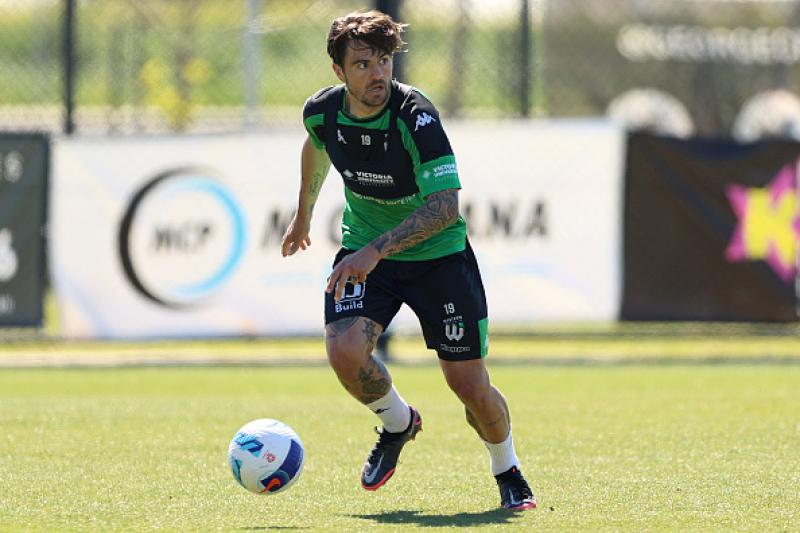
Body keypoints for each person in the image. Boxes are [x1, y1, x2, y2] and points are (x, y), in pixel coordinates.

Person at [280, 10, 536, 511]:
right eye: (362, 64)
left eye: (384, 60)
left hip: (438, 260)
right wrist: (303, 214)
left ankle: (507, 466)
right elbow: (318, 147)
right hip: (365, 253)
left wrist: (376, 251)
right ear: (338, 72)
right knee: (345, 352)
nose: (377, 74)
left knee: (468, 386)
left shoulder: (415, 115)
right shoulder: (322, 113)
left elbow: (445, 208)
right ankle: (398, 422)